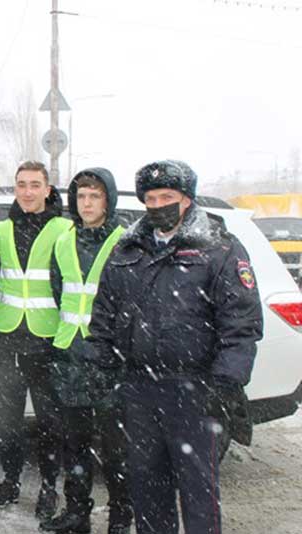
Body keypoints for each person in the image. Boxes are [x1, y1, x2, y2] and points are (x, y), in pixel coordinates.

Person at [88, 160, 263, 534]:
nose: (158, 205)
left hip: (195, 389)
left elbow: (241, 324)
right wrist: (102, 365)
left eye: (167, 196)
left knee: (198, 491)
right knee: (147, 487)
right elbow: (104, 312)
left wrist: (226, 384)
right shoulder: (126, 249)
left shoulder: (218, 249)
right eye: (150, 198)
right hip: (138, 389)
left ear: (187, 199)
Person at [40, 169, 132, 534]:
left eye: (95, 195)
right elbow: (58, 287)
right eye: (81, 196)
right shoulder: (64, 240)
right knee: (73, 444)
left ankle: (120, 517)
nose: (88, 203)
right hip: (70, 354)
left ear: (108, 199)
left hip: (110, 358)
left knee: (116, 449)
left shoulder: (125, 242)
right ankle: (78, 513)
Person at [0, 160, 72, 520]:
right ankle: (10, 480)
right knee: (8, 420)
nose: (28, 192)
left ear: (48, 190)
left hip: (47, 340)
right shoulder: (1, 231)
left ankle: (50, 488)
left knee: (50, 422)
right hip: (6, 338)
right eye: (21, 184)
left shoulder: (64, 229)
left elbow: (70, 285)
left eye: (35, 185)